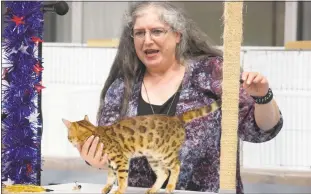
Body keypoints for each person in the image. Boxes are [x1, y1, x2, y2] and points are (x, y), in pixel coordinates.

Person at [76, 2, 283, 193]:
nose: (147, 40)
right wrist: (95, 158)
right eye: (139, 33)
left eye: (157, 31)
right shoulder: (122, 88)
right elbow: (106, 147)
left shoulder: (212, 72)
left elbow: (257, 131)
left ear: (177, 35)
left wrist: (263, 97)